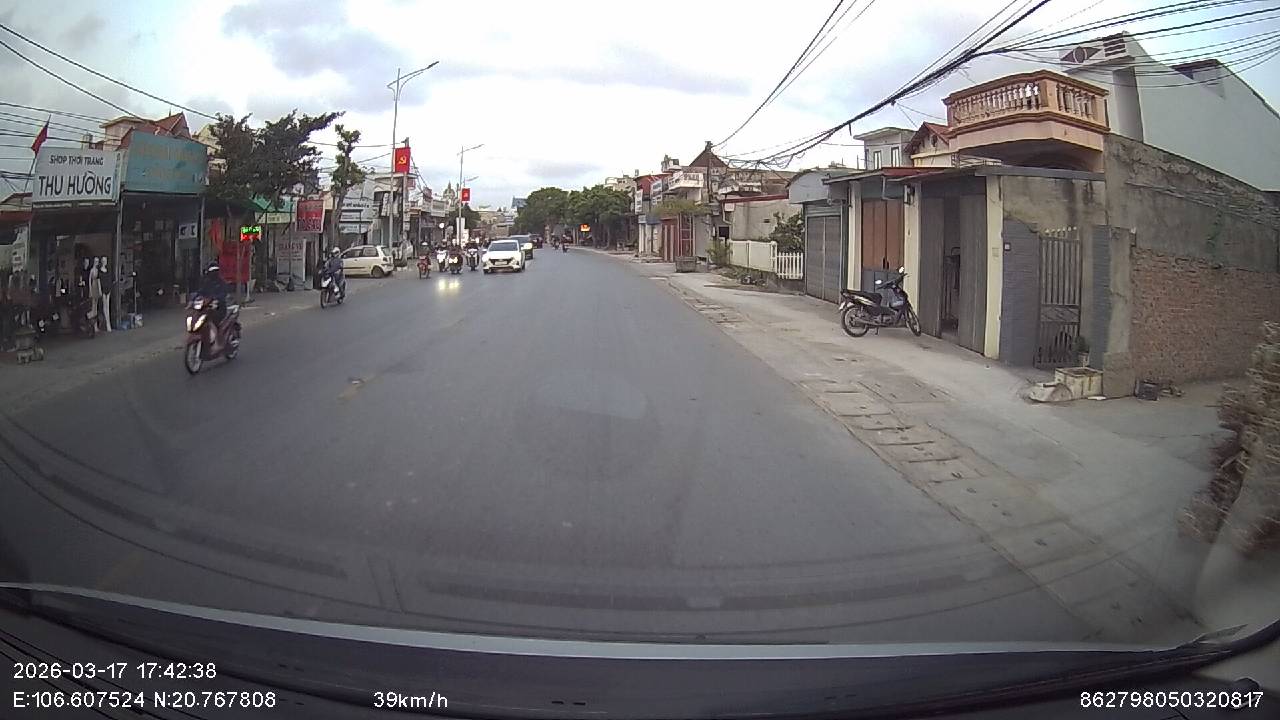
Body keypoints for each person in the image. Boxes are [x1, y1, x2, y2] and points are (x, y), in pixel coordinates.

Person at [197, 262, 230, 347]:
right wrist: (194, 299)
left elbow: (223, 294)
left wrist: (216, 299)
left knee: (215, 322)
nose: (213, 273)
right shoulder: (206, 282)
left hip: (219, 308)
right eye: (212, 271)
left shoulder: (221, 282)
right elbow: (200, 292)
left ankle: (218, 341)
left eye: (215, 271)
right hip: (206, 307)